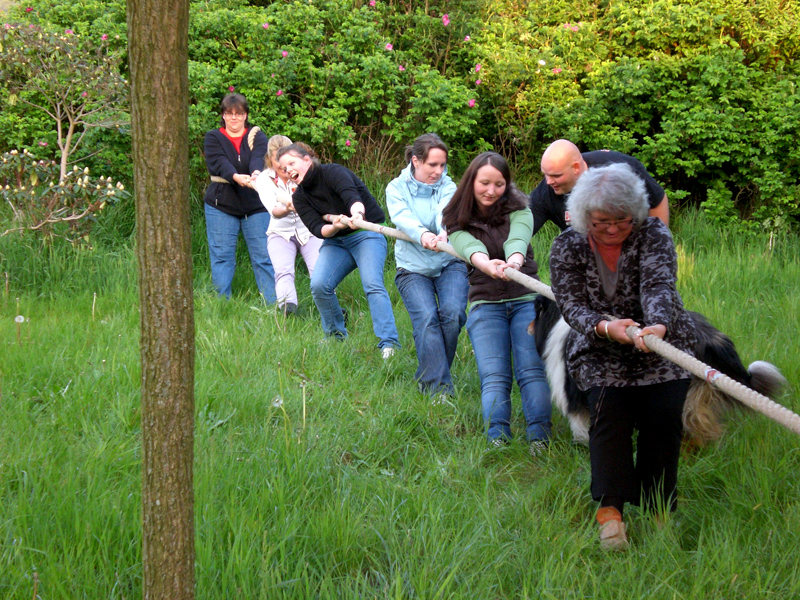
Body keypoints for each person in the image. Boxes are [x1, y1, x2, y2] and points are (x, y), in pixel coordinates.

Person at [548, 162, 696, 550]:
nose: (612, 229)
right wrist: (605, 326)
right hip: (600, 348)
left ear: (636, 212)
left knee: (663, 421)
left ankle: (659, 509)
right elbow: (571, 305)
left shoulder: (654, 234)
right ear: (584, 217)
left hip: (661, 346)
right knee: (608, 416)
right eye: (601, 222)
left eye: (622, 220)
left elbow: (659, 285)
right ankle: (610, 514)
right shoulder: (567, 246)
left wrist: (658, 326)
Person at [442, 151, 552, 451]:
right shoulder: (454, 216)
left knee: (531, 370)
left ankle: (540, 438)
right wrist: (485, 264)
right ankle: (497, 438)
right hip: (484, 302)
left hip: (526, 298)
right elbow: (469, 246)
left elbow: (519, 237)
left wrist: (514, 261)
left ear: (507, 184)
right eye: (485, 183)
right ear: (472, 181)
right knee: (494, 375)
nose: (491, 191)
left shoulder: (521, 206)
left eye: (499, 184)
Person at [276, 143, 400, 357]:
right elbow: (317, 228)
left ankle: (389, 343)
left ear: (307, 160)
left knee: (372, 283)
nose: (288, 170)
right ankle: (335, 336)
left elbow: (352, 197)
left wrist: (357, 216)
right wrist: (335, 226)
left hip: (366, 233)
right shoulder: (300, 197)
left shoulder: (332, 172)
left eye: (291, 163)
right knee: (319, 284)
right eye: (284, 169)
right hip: (336, 241)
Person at [385, 133, 469, 397]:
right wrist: (422, 235)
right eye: (433, 165)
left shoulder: (448, 185)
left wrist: (443, 231)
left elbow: (446, 209)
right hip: (412, 268)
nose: (438, 171)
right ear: (416, 161)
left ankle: (431, 371)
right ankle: (439, 389)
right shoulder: (395, 188)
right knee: (427, 320)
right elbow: (403, 218)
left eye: (442, 165)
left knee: (453, 315)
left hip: (448, 261)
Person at [203, 93, 276, 302]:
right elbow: (219, 162)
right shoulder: (213, 137)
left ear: (246, 115)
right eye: (229, 114)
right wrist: (235, 176)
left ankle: (273, 304)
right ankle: (222, 304)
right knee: (222, 257)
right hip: (221, 203)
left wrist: (255, 175)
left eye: (239, 114)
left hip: (255, 204)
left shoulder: (257, 135)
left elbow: (259, 157)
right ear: (223, 116)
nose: (234, 118)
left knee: (264, 255)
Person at [529, 139, 669, 235]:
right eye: (545, 175)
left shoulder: (621, 170)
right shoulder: (547, 189)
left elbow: (657, 199)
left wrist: (659, 243)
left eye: (556, 175)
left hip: (631, 246)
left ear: (576, 168)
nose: (548, 181)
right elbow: (523, 224)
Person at [252, 135, 323, 315]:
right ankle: (288, 312)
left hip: (309, 229)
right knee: (283, 273)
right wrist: (290, 207)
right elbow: (274, 211)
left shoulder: (304, 172)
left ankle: (330, 310)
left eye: (288, 160)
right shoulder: (263, 180)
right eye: (278, 160)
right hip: (280, 232)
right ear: (269, 159)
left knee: (320, 271)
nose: (284, 166)